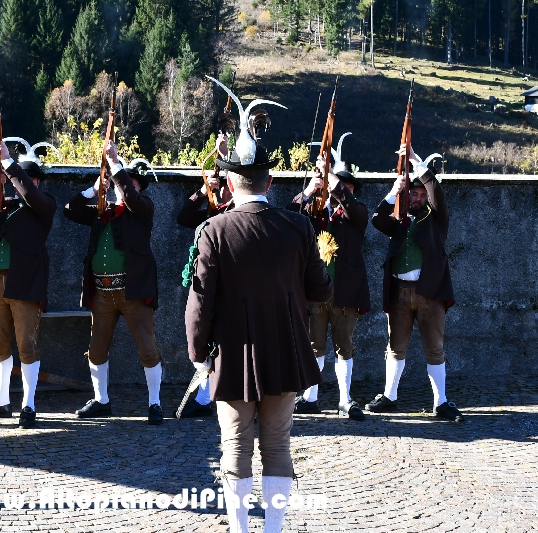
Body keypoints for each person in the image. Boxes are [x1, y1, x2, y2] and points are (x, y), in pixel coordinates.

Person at [185, 140, 332, 533]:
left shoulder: (213, 230)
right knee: (278, 446)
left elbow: (200, 301)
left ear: (231, 184)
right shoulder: (300, 227)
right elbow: (321, 291)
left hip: (232, 356)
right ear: (269, 183)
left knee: (235, 446)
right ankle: (272, 530)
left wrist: (198, 353)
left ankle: (240, 530)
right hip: (285, 352)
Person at [63, 141, 164, 425]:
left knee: (147, 348)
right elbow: (70, 209)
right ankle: (101, 400)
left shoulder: (143, 207)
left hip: (133, 292)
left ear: (137, 187)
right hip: (103, 292)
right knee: (96, 349)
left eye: (128, 184)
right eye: (121, 183)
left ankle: (154, 403)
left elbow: (130, 198)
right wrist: (95, 189)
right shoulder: (102, 210)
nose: (121, 188)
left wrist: (116, 164)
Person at [365, 145, 463, 423]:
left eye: (422, 194)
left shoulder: (437, 219)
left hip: (429, 292)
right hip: (399, 292)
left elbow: (437, 195)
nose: (419, 197)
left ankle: (441, 402)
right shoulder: (399, 218)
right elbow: (376, 220)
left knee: (435, 347)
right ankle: (389, 396)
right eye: (414, 193)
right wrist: (395, 190)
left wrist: (418, 165)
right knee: (395, 346)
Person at [0, 139, 57, 429]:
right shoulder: (3, 203)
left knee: (26, 345)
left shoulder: (43, 204)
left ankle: (29, 404)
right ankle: (1, 401)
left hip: (26, 282)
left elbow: (30, 195)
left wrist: (8, 163)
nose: (20, 181)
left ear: (35, 181)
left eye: (27, 177)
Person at [289, 134, 371, 421]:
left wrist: (334, 182)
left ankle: (344, 399)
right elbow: (290, 217)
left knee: (344, 346)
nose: (339, 193)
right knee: (314, 345)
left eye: (346, 189)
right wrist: (312, 189)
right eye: (336, 188)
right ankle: (310, 397)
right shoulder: (314, 212)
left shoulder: (356, 212)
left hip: (346, 291)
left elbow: (355, 210)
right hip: (316, 291)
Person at [175, 134, 235, 418]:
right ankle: (203, 396)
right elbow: (183, 216)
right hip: (207, 284)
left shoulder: (237, 212)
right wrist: (202, 191)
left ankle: (217, 394)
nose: (222, 192)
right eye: (219, 187)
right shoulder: (211, 213)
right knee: (202, 339)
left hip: (232, 285)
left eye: (225, 186)